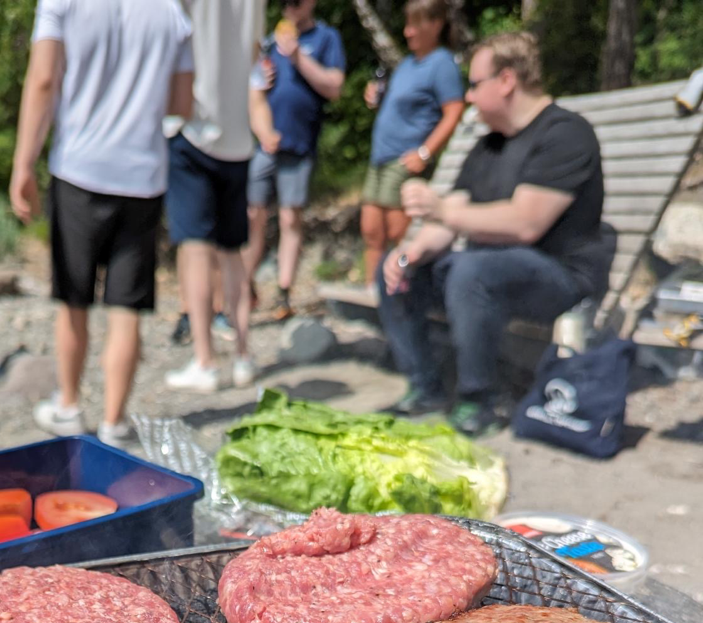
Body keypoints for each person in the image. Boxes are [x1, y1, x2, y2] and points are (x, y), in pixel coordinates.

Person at [378, 30, 607, 436]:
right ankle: (425, 387)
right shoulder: (489, 147)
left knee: (472, 270)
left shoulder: (565, 134)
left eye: (474, 84)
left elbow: (525, 223)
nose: (467, 97)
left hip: (560, 276)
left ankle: (477, 401)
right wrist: (411, 253)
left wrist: (442, 208)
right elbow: (450, 220)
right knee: (395, 266)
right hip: (490, 268)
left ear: (506, 81)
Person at [10, 0, 194, 444]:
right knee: (126, 306)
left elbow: (43, 80)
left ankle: (69, 405)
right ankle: (114, 419)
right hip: (143, 175)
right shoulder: (172, 11)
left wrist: (23, 165)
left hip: (79, 169)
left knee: (74, 298)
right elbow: (182, 103)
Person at [165, 0, 268, 393]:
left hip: (194, 127)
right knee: (232, 252)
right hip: (238, 134)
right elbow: (255, 50)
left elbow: (169, 34)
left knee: (195, 249)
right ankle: (243, 355)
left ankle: (205, 361)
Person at [244, 0, 345, 321]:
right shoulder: (269, 42)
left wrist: (298, 56)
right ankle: (245, 285)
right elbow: (254, 88)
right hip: (265, 144)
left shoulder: (326, 38)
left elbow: (334, 87)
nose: (289, 6)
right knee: (252, 215)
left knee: (290, 219)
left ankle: (284, 292)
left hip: (299, 145)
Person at [361, 0, 464, 287]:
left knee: (398, 231)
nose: (407, 32)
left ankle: (401, 292)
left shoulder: (442, 63)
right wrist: (375, 96)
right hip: (379, 158)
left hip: (404, 159)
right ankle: (375, 292)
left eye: (415, 24)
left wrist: (425, 151)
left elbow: (454, 112)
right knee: (371, 230)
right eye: (407, 24)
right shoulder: (407, 64)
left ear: (436, 24)